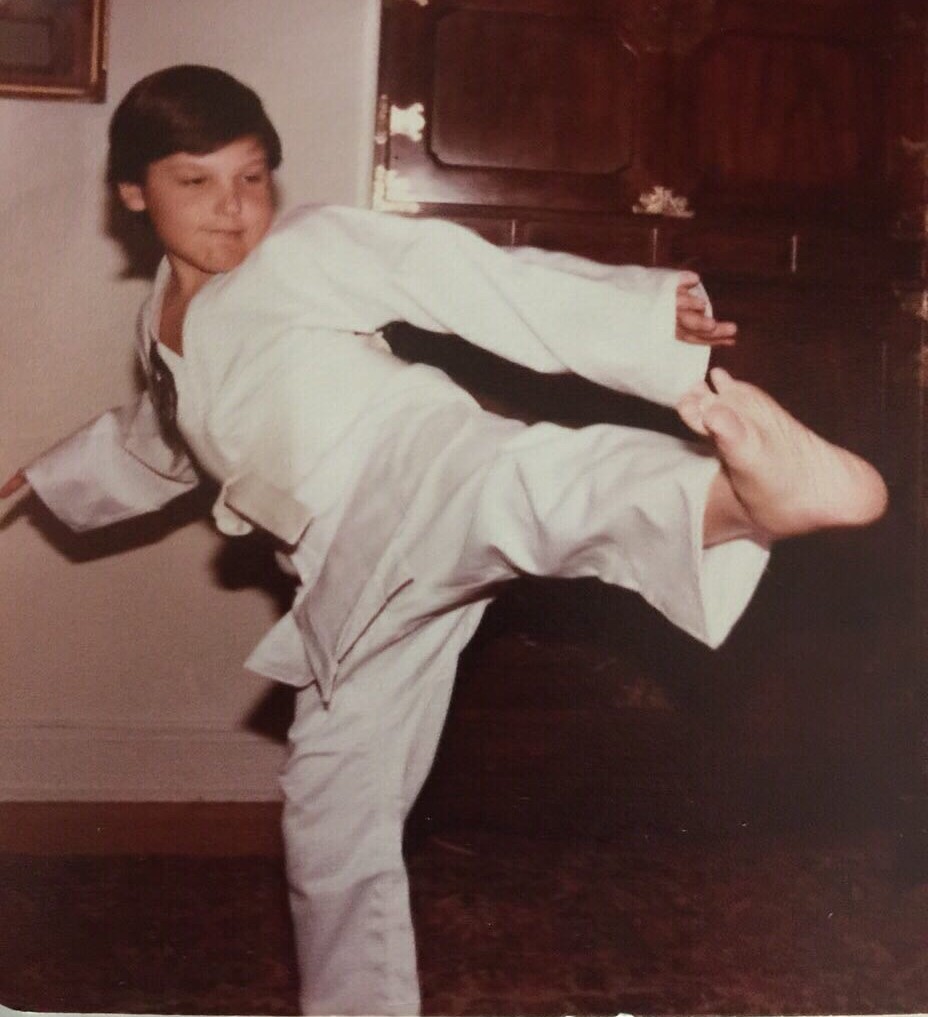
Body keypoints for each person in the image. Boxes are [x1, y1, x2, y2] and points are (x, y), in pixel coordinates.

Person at [0, 65, 888, 1015]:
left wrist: (635, 313)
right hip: (347, 578)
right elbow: (161, 438)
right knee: (331, 809)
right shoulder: (158, 325)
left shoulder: (300, 249)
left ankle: (743, 494)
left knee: (525, 490)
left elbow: (453, 273)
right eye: (197, 181)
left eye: (252, 177)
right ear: (134, 193)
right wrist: (36, 480)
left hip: (410, 464)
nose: (233, 207)